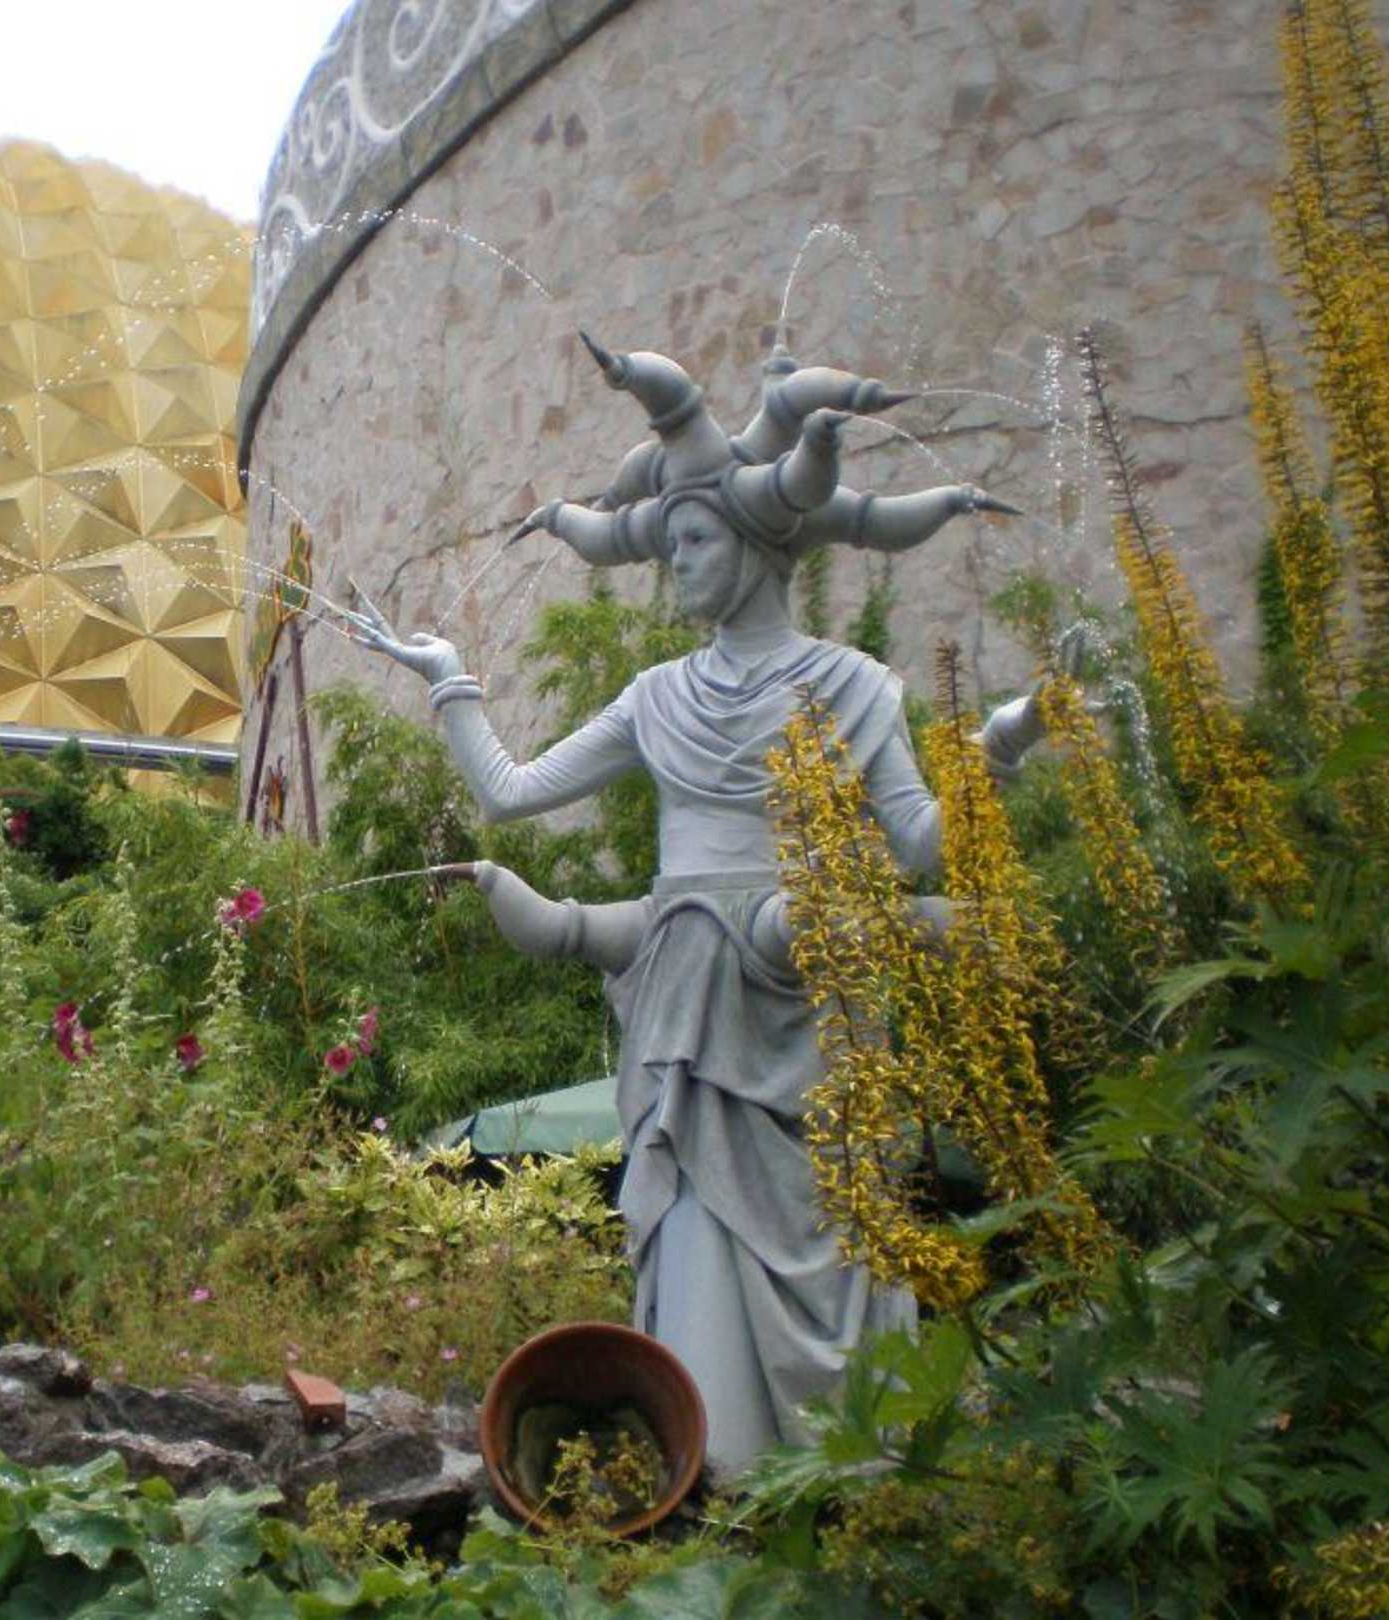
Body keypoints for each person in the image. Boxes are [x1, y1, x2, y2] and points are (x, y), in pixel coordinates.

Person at [350, 339, 1045, 1475]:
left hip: (811, 997)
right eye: (669, 542)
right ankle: (713, 1476)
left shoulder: (852, 685)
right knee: (694, 1226)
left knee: (837, 1219)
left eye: (697, 541)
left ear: (760, 543)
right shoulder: (657, 696)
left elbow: (923, 844)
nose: (677, 564)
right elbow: (512, 792)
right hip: (687, 994)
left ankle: (850, 1478)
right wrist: (450, 680)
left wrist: (1002, 749)